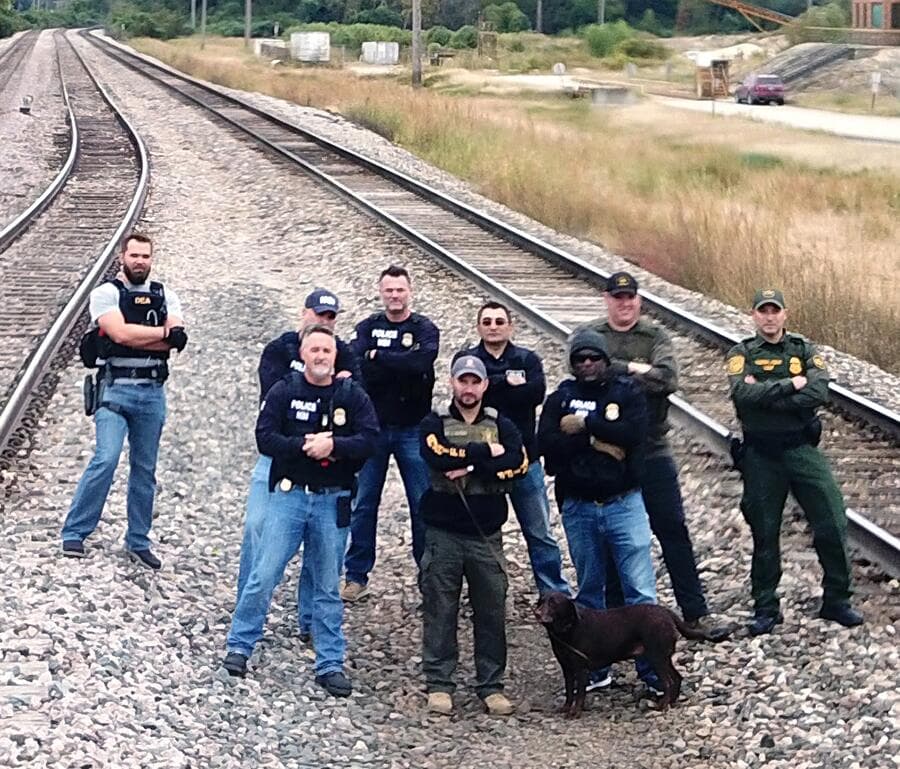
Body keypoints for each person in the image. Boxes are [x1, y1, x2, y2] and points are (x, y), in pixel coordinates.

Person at [223, 325, 378, 695]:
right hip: (289, 497)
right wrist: (304, 446)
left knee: (327, 585)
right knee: (264, 574)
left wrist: (335, 446)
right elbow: (264, 437)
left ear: (335, 356)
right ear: (303, 354)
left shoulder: (351, 395)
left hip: (333, 500)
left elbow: (370, 439)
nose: (320, 356)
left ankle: (330, 663)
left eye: (327, 350)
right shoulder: (285, 390)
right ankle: (239, 646)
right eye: (314, 350)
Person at [581, 272, 732, 652]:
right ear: (607, 299)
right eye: (618, 297)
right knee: (612, 536)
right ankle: (615, 619)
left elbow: (667, 380)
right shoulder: (591, 334)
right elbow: (587, 375)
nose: (624, 304)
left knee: (672, 528)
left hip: (652, 447)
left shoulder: (655, 336)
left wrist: (620, 370)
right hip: (608, 451)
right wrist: (638, 371)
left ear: (638, 301)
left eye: (630, 297)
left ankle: (695, 612)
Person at [726, 288, 863, 636]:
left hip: (801, 449)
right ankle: (766, 607)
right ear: (754, 315)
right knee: (765, 531)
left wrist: (768, 395)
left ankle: (837, 600)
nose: (769, 317)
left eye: (775, 311)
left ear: (785, 314)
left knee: (832, 520)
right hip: (761, 455)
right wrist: (792, 385)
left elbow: (819, 392)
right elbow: (742, 395)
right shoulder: (742, 353)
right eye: (763, 311)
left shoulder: (804, 350)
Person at [538, 327, 663, 697]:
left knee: (640, 591)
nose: (588, 363)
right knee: (590, 591)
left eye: (594, 357)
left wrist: (588, 429)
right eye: (580, 358)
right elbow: (546, 443)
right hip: (579, 506)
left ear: (606, 360)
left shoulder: (627, 392)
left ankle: (653, 670)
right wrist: (602, 443)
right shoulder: (561, 396)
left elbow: (634, 433)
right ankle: (593, 667)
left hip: (624, 503)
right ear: (572, 363)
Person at [235, 288, 359, 644]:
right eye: (319, 314)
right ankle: (247, 607)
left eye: (330, 316)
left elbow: (357, 405)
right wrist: (310, 435)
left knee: (321, 547)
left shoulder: (345, 353)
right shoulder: (280, 349)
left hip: (327, 466)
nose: (324, 321)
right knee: (257, 526)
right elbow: (274, 400)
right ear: (304, 313)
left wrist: (330, 440)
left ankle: (310, 620)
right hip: (279, 461)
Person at [61, 233, 187, 570]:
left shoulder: (166, 295)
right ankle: (75, 531)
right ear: (123, 257)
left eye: (145, 256)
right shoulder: (105, 293)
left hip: (152, 393)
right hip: (114, 390)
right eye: (134, 255)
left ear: (151, 259)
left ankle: (138, 540)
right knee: (106, 458)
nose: (139, 261)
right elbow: (120, 333)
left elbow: (177, 339)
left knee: (145, 470)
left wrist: (143, 337)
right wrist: (161, 334)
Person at [418, 355, 528, 716]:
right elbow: (436, 455)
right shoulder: (434, 422)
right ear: (452, 382)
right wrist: (484, 453)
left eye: (474, 381)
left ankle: (491, 685)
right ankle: (439, 683)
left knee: (492, 610)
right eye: (462, 381)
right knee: (440, 609)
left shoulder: (502, 424)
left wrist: (467, 465)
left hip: (487, 535)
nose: (468, 388)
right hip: (443, 534)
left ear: (485, 385)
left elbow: (518, 463)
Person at [342, 265, 440, 601]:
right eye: (389, 290)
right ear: (381, 292)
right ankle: (356, 576)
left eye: (400, 290)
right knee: (364, 503)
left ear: (410, 291)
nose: (394, 295)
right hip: (373, 429)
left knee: (422, 504)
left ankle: (429, 577)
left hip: (413, 428)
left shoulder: (425, 328)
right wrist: (397, 361)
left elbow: (420, 364)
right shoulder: (368, 327)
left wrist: (378, 357)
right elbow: (359, 366)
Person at [460, 301, 569, 595]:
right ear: (478, 326)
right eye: (487, 321)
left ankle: (554, 593)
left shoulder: (528, 359)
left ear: (511, 326)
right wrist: (508, 382)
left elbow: (535, 394)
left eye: (499, 321)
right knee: (481, 532)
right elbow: (467, 396)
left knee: (539, 532)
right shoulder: (467, 359)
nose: (493, 327)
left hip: (524, 461)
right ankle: (485, 593)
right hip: (482, 462)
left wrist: (491, 385)